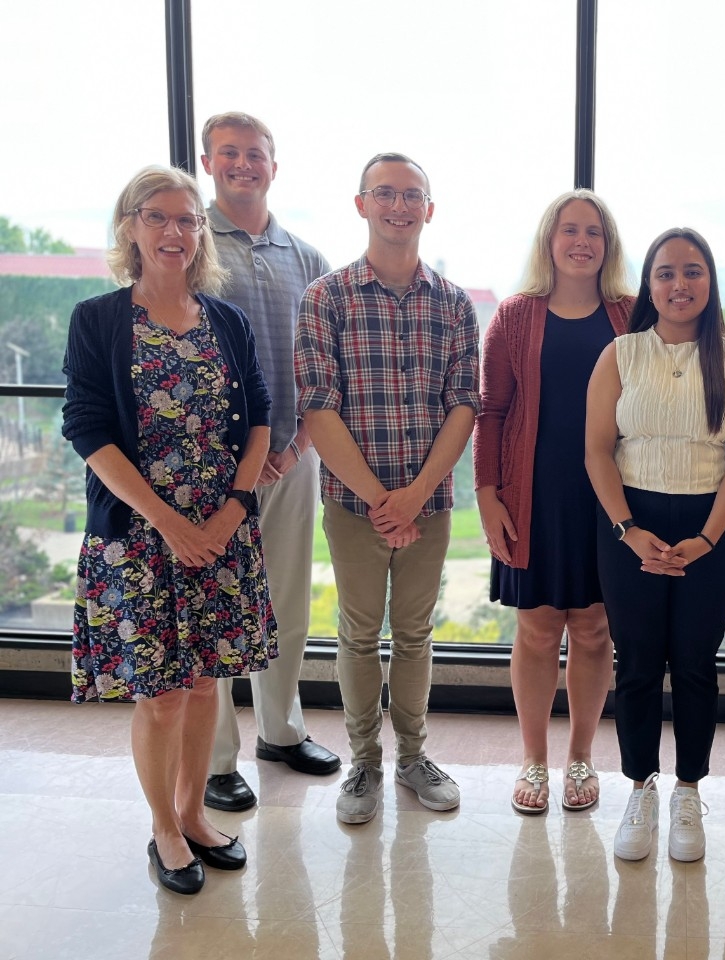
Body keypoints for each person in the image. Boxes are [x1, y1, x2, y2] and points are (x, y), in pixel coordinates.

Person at [63, 165, 275, 894]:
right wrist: (171, 524)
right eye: (159, 217)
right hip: (139, 536)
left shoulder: (226, 321)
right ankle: (161, 827)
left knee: (206, 683)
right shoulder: (97, 319)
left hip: (221, 533)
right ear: (131, 227)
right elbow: (87, 429)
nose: (176, 232)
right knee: (161, 694)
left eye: (188, 220)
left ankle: (192, 812)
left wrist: (229, 512)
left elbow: (259, 422)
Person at [295, 152, 479, 825]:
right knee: (357, 631)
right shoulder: (326, 298)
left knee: (415, 634)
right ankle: (364, 763)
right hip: (352, 507)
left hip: (428, 506)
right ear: (361, 203)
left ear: (429, 209)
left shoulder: (454, 303)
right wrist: (381, 498)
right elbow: (318, 407)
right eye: (385, 194)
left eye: (412, 196)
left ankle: (413, 759)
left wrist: (413, 495)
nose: (399, 206)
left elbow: (464, 405)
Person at [585, 227, 725, 862]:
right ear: (649, 285)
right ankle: (641, 786)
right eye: (665, 273)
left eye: (692, 272)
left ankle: (689, 789)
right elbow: (597, 451)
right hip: (629, 523)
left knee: (693, 663)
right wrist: (629, 531)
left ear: (710, 282)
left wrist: (706, 539)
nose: (678, 284)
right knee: (635, 664)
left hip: (711, 527)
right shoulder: (620, 355)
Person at [473, 190, 633, 814]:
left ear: (608, 245)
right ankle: (534, 761)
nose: (582, 241)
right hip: (530, 494)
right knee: (538, 630)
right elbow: (492, 412)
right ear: (550, 240)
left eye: (594, 231)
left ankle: (582, 758)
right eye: (570, 229)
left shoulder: (628, 314)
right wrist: (487, 495)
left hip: (608, 495)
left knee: (594, 630)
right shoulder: (514, 315)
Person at [199, 111, 340, 814]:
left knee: (284, 601)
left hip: (292, 459)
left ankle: (281, 732)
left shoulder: (306, 258)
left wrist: (294, 449)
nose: (243, 164)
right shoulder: (189, 245)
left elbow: (322, 370)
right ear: (207, 161)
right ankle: (216, 759)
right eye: (229, 153)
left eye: (255, 154)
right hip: (211, 472)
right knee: (218, 608)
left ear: (274, 167)